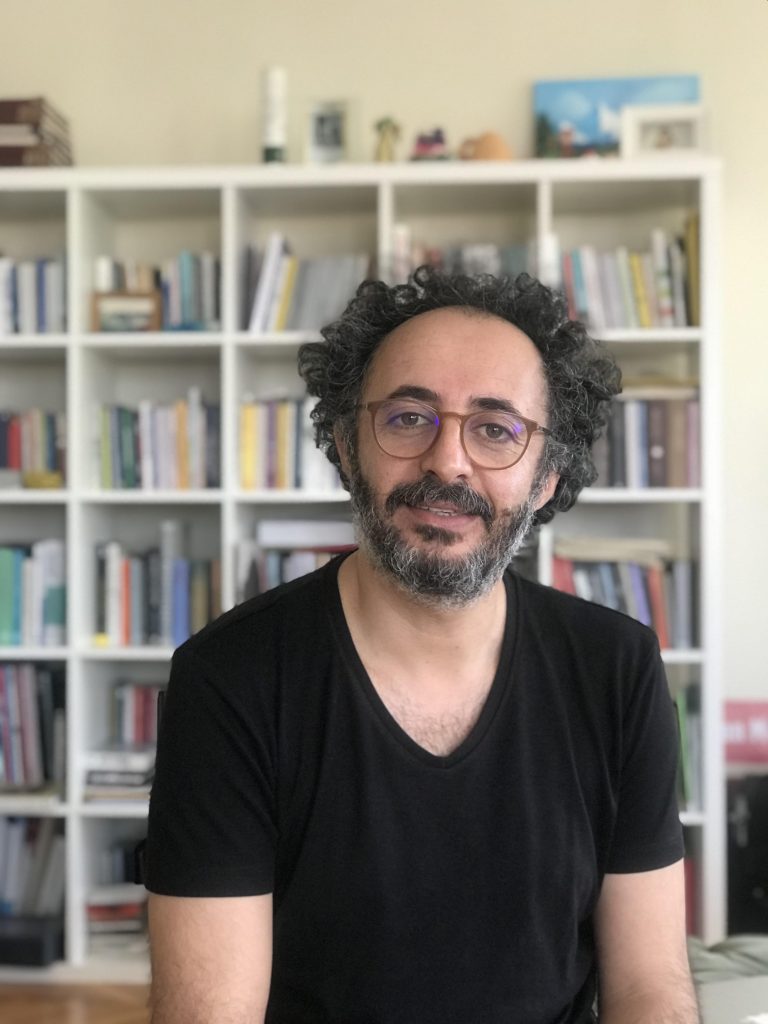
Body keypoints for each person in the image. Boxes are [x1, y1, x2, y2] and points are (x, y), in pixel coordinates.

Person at [145, 267, 699, 1023]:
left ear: (546, 478)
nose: (447, 461)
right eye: (409, 417)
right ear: (347, 444)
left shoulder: (618, 669)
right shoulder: (228, 680)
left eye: (496, 429)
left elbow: (650, 988)